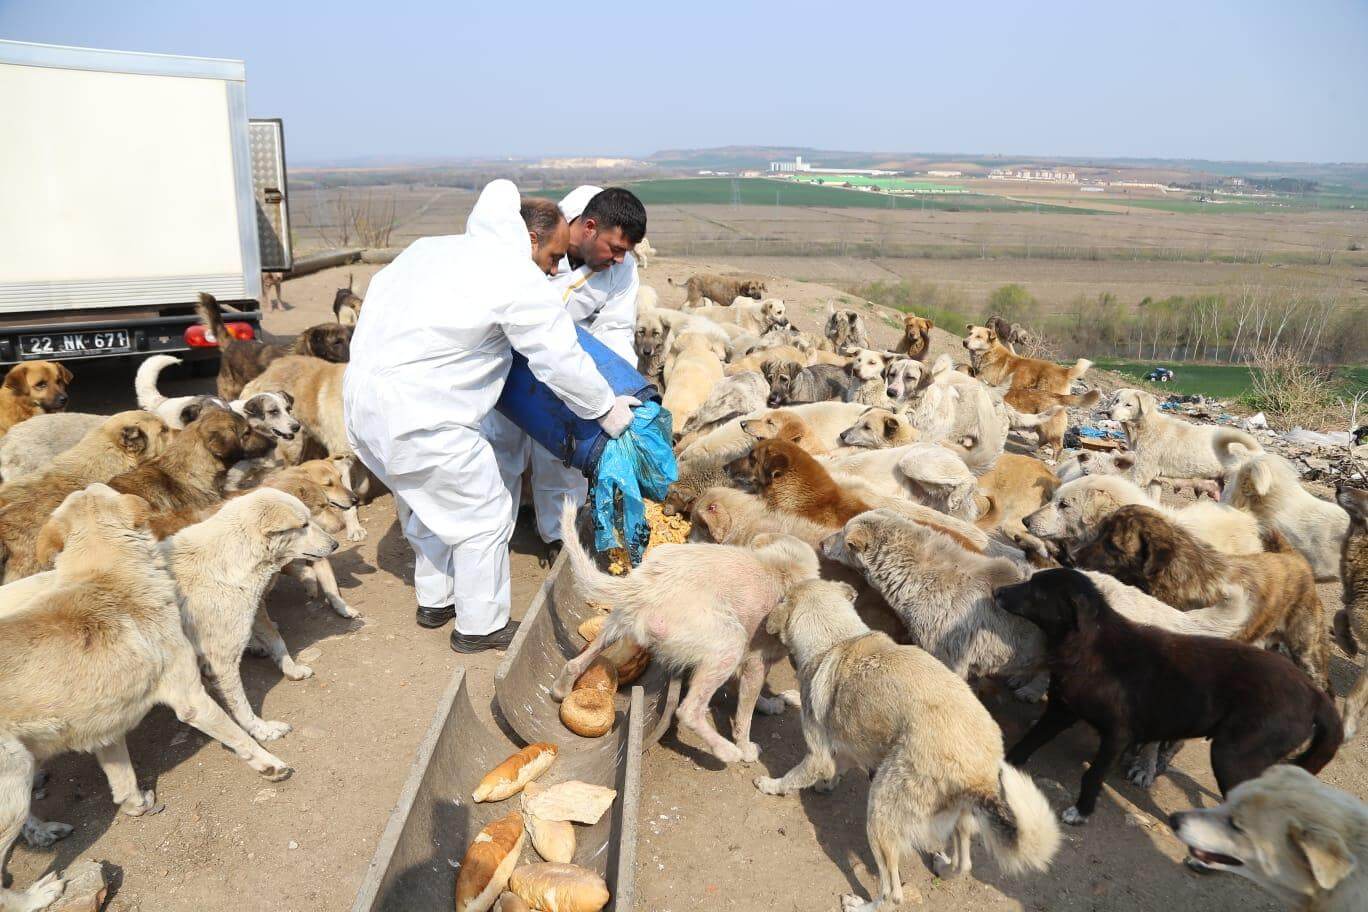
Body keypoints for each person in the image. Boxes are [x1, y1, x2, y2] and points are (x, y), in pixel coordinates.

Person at [342, 179, 636, 653]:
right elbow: (557, 354)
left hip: (363, 407)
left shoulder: (426, 250)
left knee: (425, 503)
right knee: (483, 514)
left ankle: (436, 599)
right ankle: (480, 626)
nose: (556, 268)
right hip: (423, 413)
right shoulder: (511, 271)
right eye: (555, 256)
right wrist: (605, 408)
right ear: (532, 239)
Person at [485, 186, 647, 563]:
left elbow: (616, 328)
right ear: (589, 228)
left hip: (574, 365)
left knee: (563, 454)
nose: (620, 259)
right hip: (508, 362)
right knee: (501, 448)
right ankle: (493, 540)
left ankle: (558, 536)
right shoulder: (535, 233)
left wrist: (616, 384)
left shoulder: (622, 268)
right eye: (615, 248)